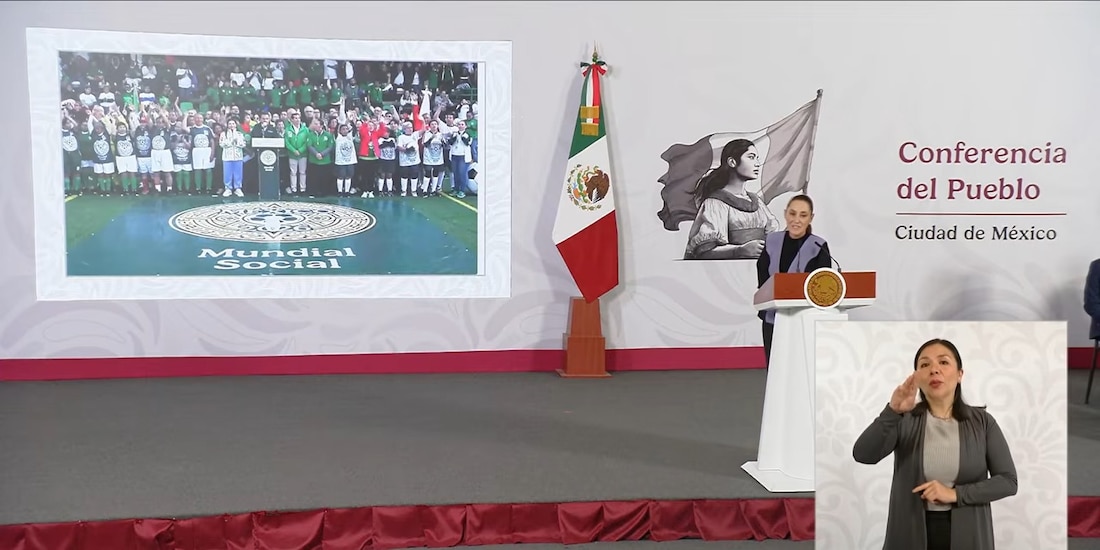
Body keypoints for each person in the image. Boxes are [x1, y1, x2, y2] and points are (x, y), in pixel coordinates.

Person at [852, 339, 1018, 550]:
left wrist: (955, 494)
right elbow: (863, 454)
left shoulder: (983, 422)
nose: (934, 370)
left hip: (969, 535)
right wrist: (892, 411)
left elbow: (1008, 481)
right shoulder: (904, 419)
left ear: (960, 374)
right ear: (916, 377)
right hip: (909, 534)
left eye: (943, 362)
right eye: (924, 365)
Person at [755, 194, 831, 366]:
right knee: (775, 369)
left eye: (803, 215)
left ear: (811, 218)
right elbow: (762, 279)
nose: (796, 220)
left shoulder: (818, 246)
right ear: (785, 214)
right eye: (792, 213)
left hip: (803, 322)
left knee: (798, 368)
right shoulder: (771, 241)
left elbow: (823, 289)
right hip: (773, 319)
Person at [683, 139, 780, 260]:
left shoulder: (757, 202)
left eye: (757, 158)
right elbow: (704, 251)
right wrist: (739, 251)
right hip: (728, 272)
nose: (757, 163)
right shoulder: (715, 203)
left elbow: (772, 235)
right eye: (751, 157)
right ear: (732, 162)